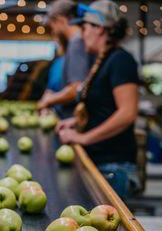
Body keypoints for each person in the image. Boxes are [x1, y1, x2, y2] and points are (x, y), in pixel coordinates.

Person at [58, 0, 140, 198]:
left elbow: (127, 113)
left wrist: (83, 137)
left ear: (100, 28)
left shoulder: (120, 60)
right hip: (100, 162)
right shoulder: (103, 62)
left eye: (85, 27)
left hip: (114, 167)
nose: (82, 33)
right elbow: (103, 109)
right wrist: (76, 121)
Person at [37, 0, 91, 119]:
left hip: (73, 119)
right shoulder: (75, 43)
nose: (53, 31)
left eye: (52, 25)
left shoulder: (77, 43)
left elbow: (76, 88)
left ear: (59, 20)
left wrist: (48, 100)